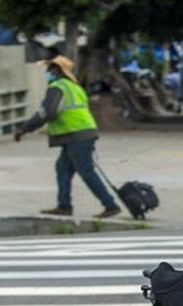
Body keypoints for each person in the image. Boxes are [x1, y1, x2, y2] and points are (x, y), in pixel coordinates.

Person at [14, 55, 120, 219]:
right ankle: (64, 206)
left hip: (76, 134)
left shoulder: (58, 87)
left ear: (58, 70)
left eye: (50, 69)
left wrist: (24, 129)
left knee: (86, 172)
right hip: (80, 133)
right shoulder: (75, 87)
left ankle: (110, 205)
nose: (48, 72)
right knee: (63, 169)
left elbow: (47, 112)